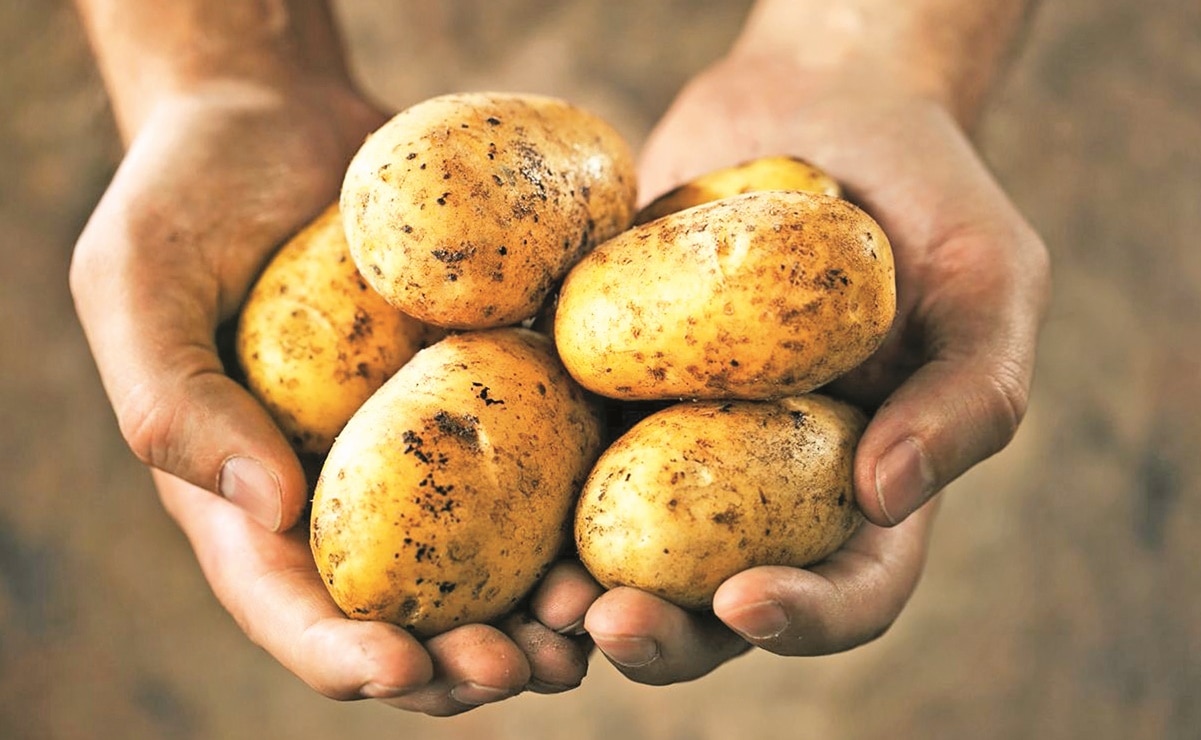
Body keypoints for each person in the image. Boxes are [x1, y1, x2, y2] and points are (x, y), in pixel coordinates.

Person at [69, 0, 1050, 717]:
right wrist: (221, 66)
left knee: (633, 519)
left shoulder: (609, 301)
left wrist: (868, 54)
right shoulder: (526, 299)